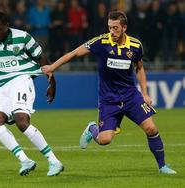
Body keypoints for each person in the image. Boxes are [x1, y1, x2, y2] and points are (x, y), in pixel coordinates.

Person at [42, 11, 176, 174]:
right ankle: (92, 128)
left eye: (115, 28)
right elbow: (75, 53)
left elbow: (139, 68)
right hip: (109, 100)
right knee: (104, 140)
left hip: (131, 96)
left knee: (151, 128)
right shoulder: (101, 42)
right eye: (109, 27)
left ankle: (163, 166)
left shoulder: (135, 45)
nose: (112, 32)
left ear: (124, 28)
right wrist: (52, 67)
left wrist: (145, 93)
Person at [0, 11, 64, 177]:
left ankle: (54, 161)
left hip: (22, 80)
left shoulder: (23, 37)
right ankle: (25, 160)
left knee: (21, 122)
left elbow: (41, 57)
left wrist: (52, 81)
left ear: (7, 26)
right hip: (4, 86)